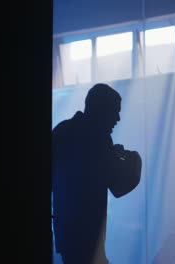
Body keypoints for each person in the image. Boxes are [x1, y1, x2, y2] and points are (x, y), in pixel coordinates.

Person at [52, 83, 142, 264]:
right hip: (89, 241)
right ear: (102, 109)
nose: (117, 118)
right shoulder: (98, 137)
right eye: (115, 111)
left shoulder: (62, 130)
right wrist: (135, 159)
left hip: (66, 237)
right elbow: (119, 186)